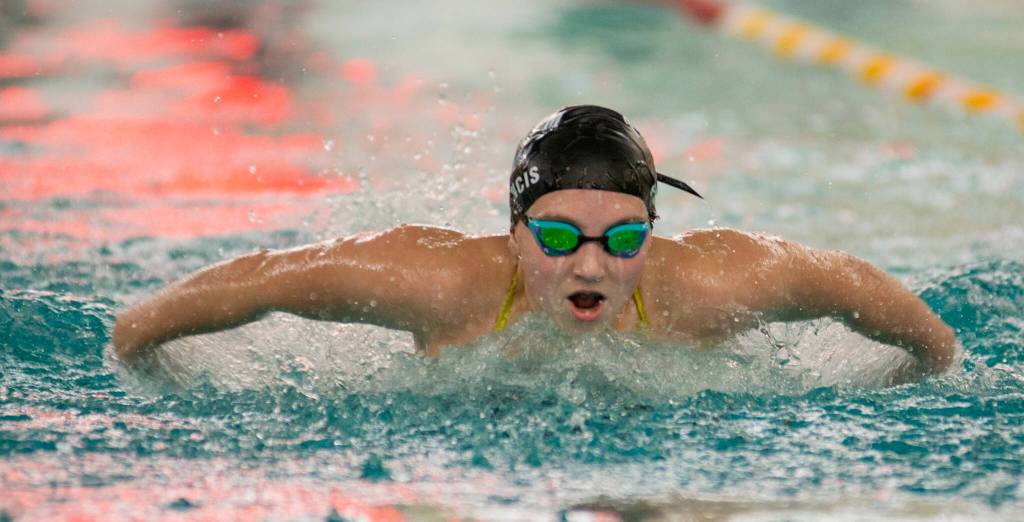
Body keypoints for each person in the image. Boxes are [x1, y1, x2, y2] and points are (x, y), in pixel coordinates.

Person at [112, 105, 957, 378]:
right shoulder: (439, 281)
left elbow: (855, 285)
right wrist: (144, 354)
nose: (590, 263)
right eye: (558, 235)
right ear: (514, 235)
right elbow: (266, 278)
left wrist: (913, 374)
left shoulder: (709, 285)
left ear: (653, 234)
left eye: (622, 237)